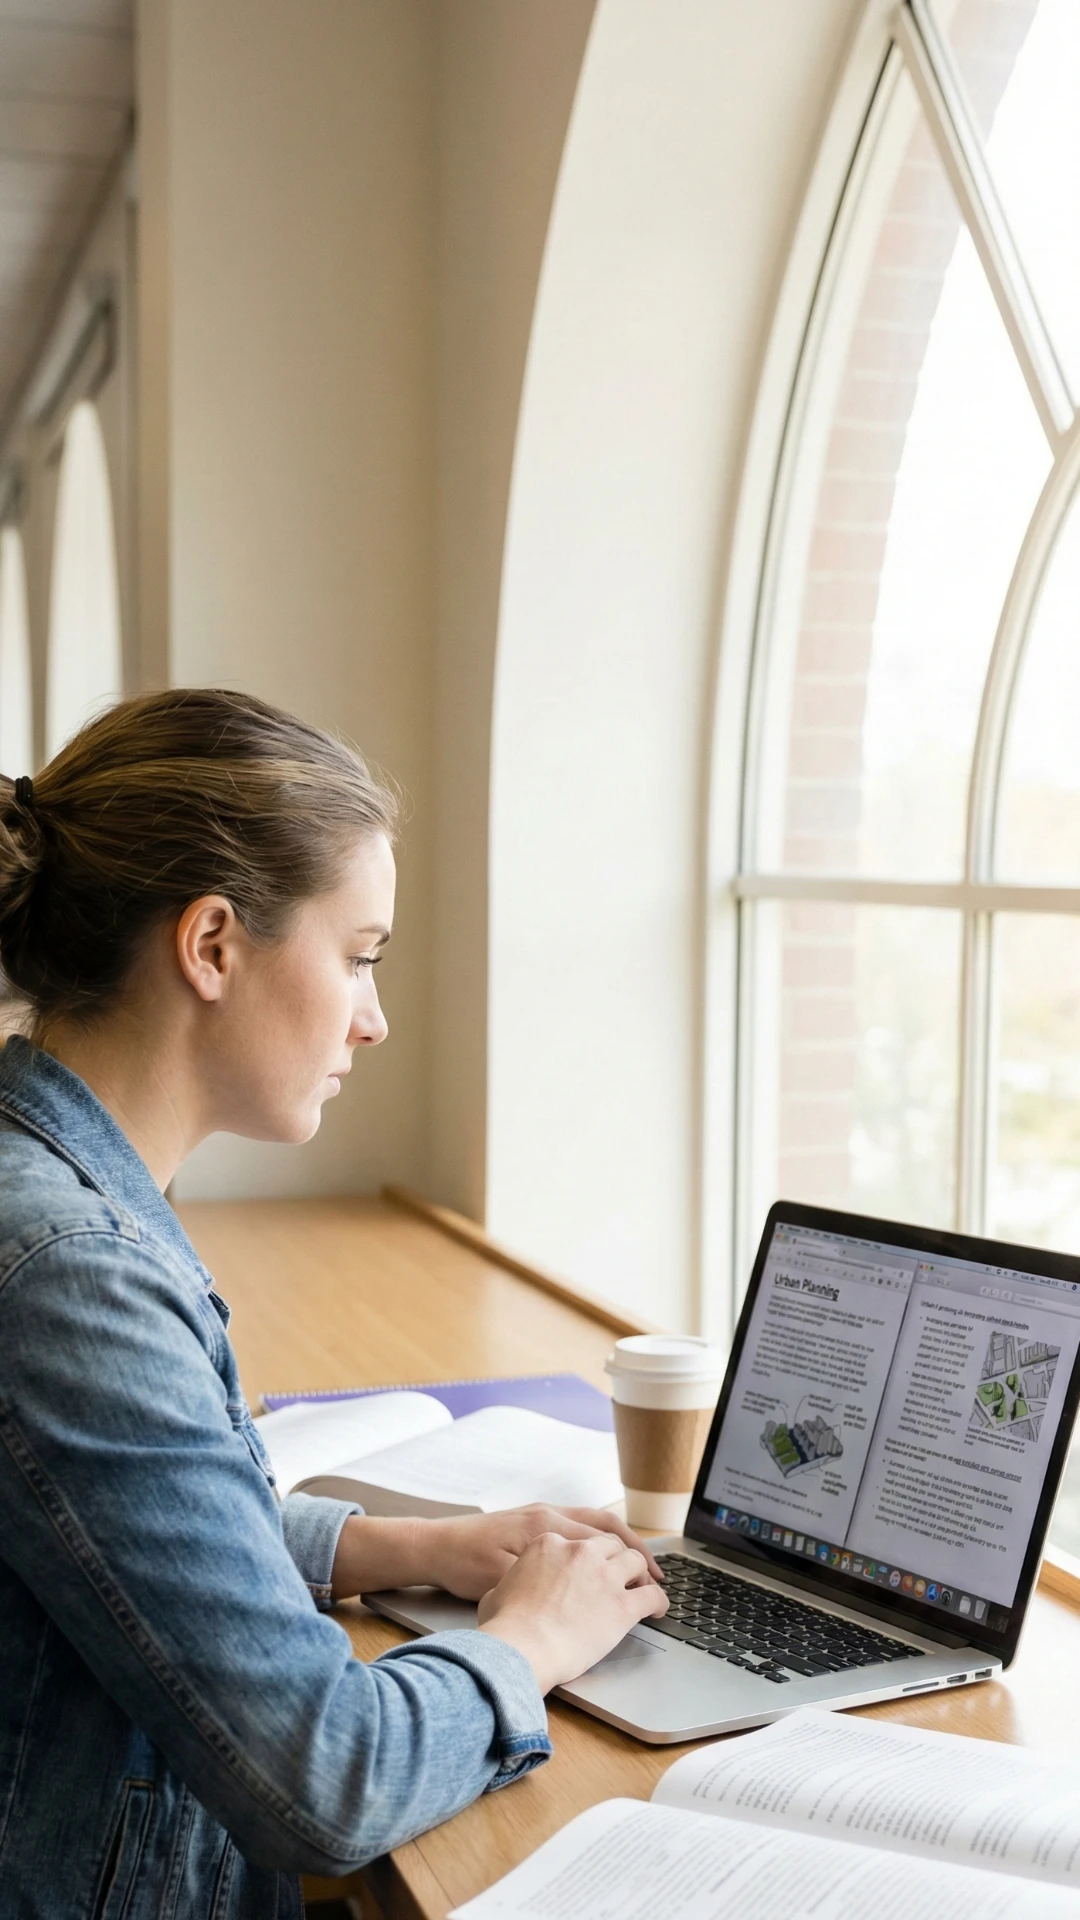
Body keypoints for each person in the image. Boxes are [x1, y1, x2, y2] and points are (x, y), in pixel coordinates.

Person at [0, 688, 668, 1919]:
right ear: (211, 946)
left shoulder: (47, 1183)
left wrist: (408, 1549)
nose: (375, 1017)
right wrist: (532, 1641)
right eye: (358, 957)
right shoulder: (69, 1269)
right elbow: (324, 1777)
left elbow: (104, 1527)